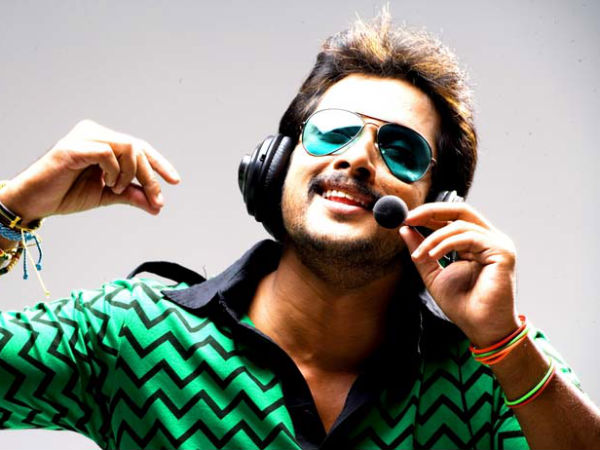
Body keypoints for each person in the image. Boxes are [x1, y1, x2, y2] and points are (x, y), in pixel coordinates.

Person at [1, 12, 599, 450]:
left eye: (400, 149)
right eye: (333, 131)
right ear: (277, 164)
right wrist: (9, 210)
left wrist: (504, 346)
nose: (357, 158)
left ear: (438, 206)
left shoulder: (494, 370)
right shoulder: (128, 332)